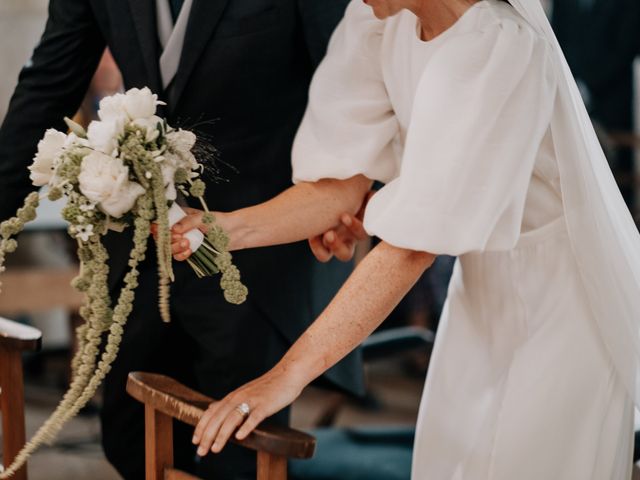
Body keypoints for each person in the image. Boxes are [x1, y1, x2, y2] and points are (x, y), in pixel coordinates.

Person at [171, 0, 640, 478]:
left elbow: (415, 245)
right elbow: (340, 184)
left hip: (565, 305)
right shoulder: (380, 22)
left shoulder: (501, 44)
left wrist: (286, 376)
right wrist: (225, 229)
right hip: (480, 297)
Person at [0, 1, 366, 478]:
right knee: (130, 441)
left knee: (239, 455)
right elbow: (46, 89)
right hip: (141, 252)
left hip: (258, 253)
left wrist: (347, 196)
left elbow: (347, 86)